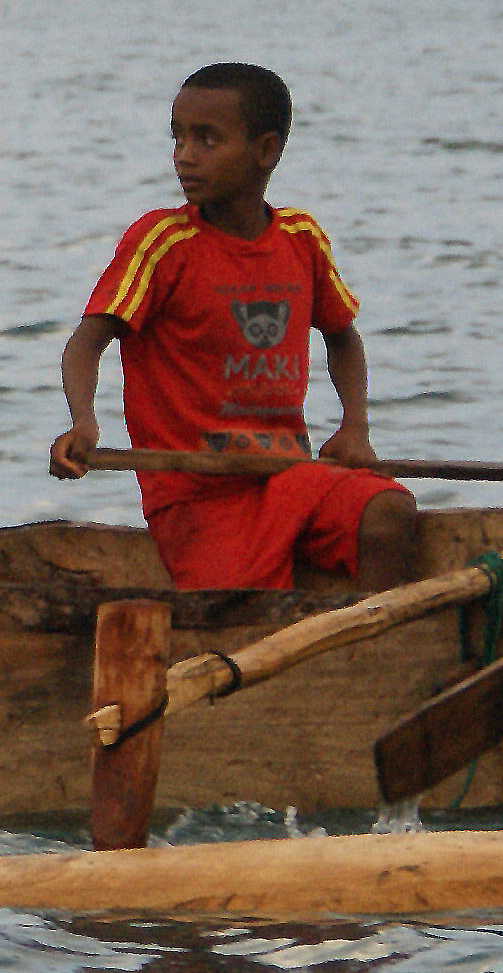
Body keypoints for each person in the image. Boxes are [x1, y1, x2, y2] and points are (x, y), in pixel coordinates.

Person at [47, 62, 418, 591]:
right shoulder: (162, 242)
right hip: (197, 498)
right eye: (178, 137)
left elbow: (342, 336)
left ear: (265, 151)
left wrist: (354, 427)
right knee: (243, 604)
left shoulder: (301, 238)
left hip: (288, 476)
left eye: (207, 139)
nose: (184, 155)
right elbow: (86, 343)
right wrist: (83, 422)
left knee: (388, 513)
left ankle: (381, 632)